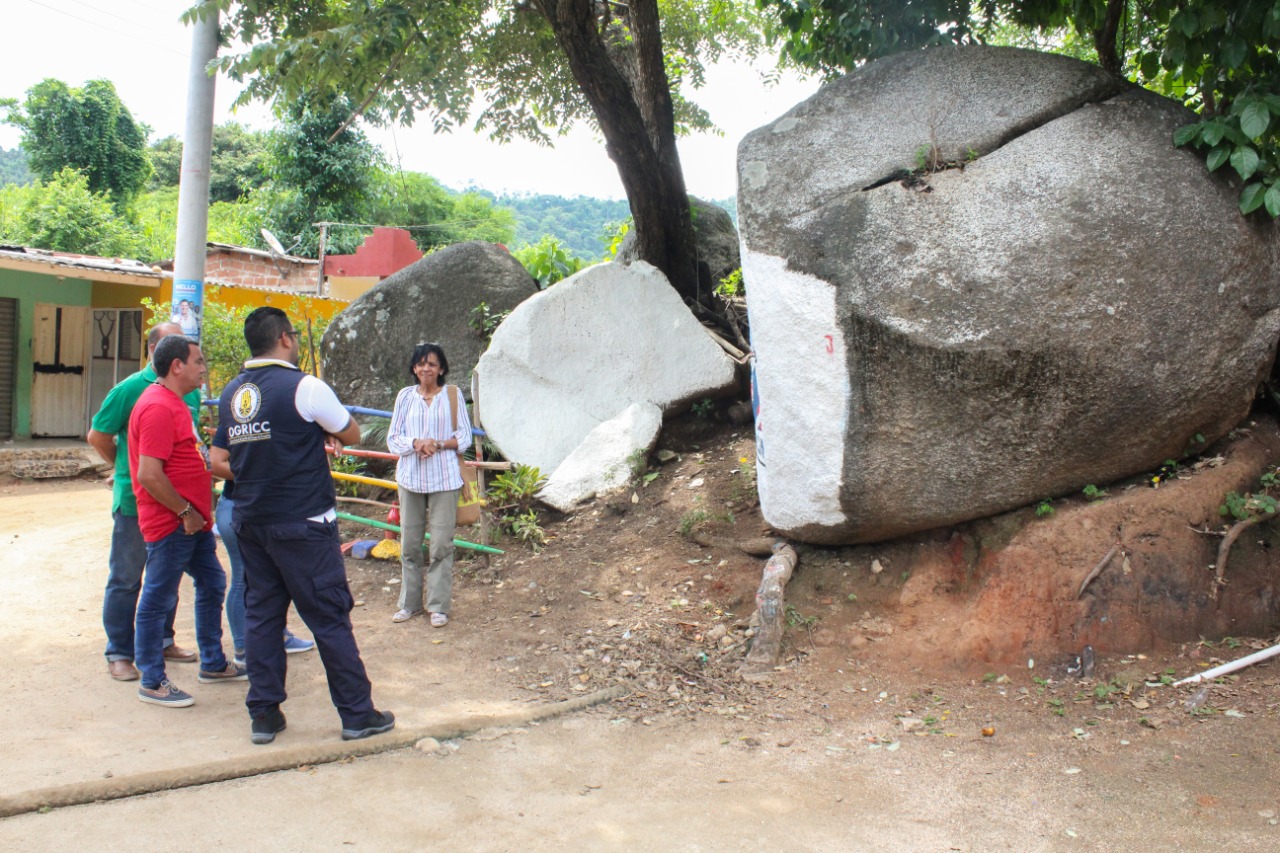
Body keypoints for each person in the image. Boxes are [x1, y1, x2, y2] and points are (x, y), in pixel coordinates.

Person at [211, 306, 393, 745]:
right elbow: (350, 433)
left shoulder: (233, 393)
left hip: (250, 520)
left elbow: (222, 458)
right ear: (286, 339)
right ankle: (356, 714)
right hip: (304, 522)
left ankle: (264, 714)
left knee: (262, 616)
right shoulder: (305, 387)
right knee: (329, 617)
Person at [129, 335, 244, 707]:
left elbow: (187, 461)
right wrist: (185, 512)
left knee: (213, 582)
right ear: (176, 365)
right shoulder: (158, 407)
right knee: (158, 597)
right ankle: (152, 678)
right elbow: (149, 474)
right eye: (197, 361)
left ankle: (212, 662)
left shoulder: (175, 404)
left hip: (192, 523)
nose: (203, 368)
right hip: (173, 524)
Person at [87, 322, 199, 682]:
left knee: (166, 576)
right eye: (173, 344)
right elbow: (99, 435)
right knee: (126, 578)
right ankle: (119, 651)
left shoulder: (189, 391)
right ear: (154, 351)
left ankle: (163, 640)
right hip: (137, 504)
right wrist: (124, 466)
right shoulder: (131, 389)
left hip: (176, 503)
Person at [386, 343, 472, 628]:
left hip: (444, 479)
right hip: (410, 479)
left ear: (442, 369)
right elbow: (393, 438)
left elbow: (465, 437)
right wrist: (415, 443)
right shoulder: (405, 397)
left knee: (440, 545)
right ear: (414, 368)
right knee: (409, 544)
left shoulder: (452, 395)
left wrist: (437, 443)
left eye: (432, 364)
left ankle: (438, 606)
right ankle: (409, 604)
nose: (426, 369)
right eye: (421, 364)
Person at [217, 482, 317, 666]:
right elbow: (216, 463)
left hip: (260, 507)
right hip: (241, 506)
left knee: (270, 576)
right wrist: (260, 473)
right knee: (242, 579)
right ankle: (243, 648)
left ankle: (278, 635)